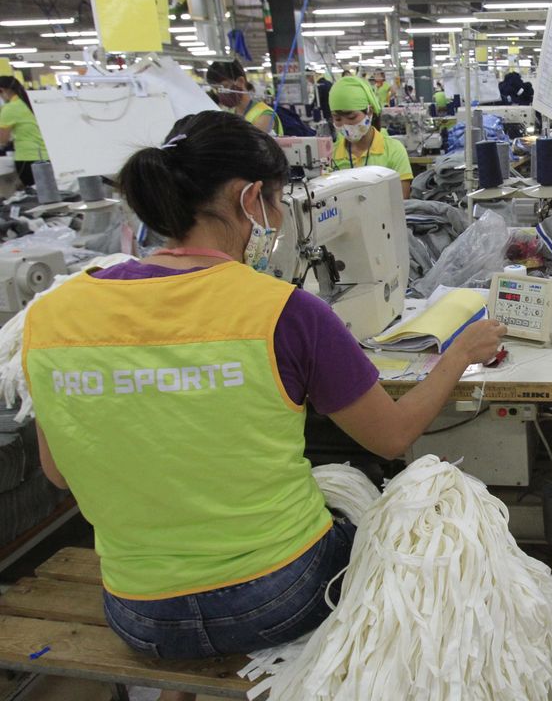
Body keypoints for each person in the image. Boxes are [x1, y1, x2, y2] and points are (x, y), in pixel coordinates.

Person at [25, 111, 504, 701]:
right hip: (277, 597)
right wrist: (459, 354)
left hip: (140, 614)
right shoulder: (286, 311)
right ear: (249, 198)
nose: (279, 220)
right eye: (277, 202)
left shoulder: (52, 316)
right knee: (400, 520)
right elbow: (393, 436)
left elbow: (57, 472)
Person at [329, 76, 413, 198]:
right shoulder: (332, 154)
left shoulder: (393, 150)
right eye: (337, 119)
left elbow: (402, 199)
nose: (345, 124)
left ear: (369, 111)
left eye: (351, 117)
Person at [207, 61, 281, 135]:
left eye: (224, 87)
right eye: (216, 89)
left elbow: (250, 140)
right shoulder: (230, 113)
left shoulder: (265, 115)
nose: (220, 93)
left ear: (240, 81)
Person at [0, 76, 48, 187]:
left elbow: (2, 139)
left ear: (2, 90)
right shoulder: (30, 103)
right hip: (46, 155)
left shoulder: (10, 108)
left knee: (35, 193)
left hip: (27, 157)